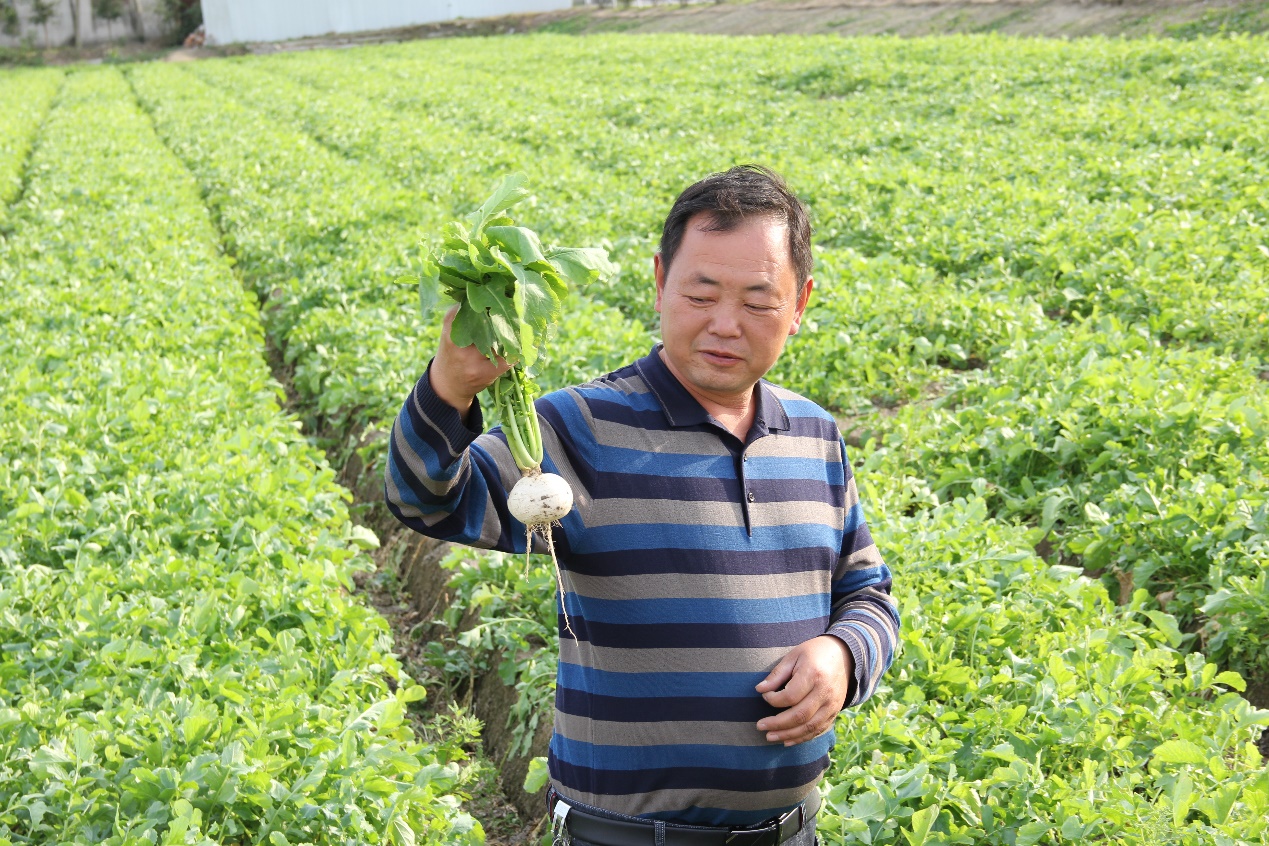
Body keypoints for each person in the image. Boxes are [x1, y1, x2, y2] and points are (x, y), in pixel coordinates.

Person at [385, 165, 900, 846]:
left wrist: (841, 655)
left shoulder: (813, 436)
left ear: (799, 303)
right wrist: (448, 387)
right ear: (659, 282)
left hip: (789, 833)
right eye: (701, 292)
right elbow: (427, 500)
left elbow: (868, 591)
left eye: (757, 300)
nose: (725, 324)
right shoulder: (579, 429)